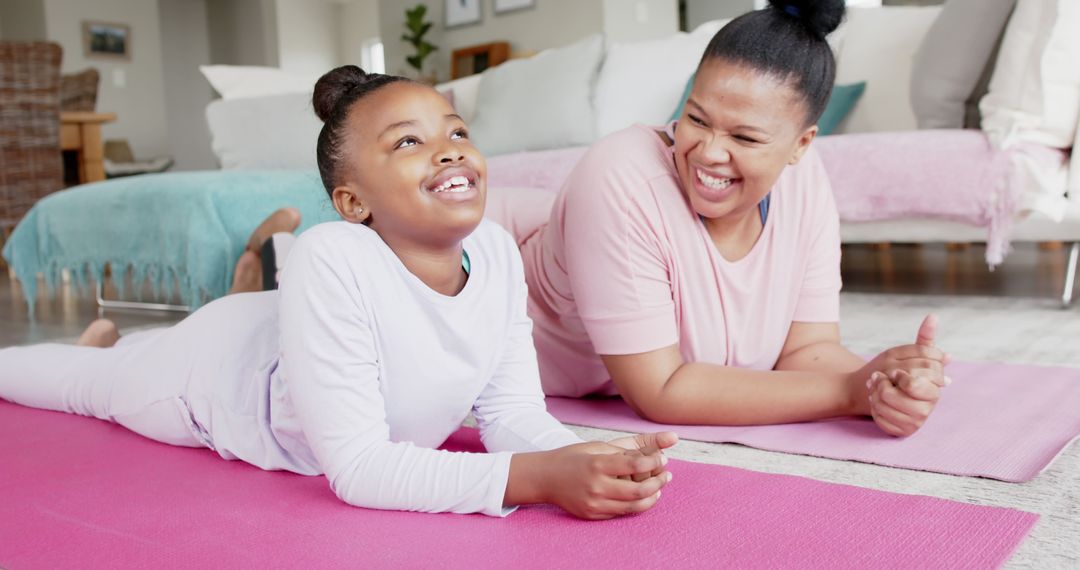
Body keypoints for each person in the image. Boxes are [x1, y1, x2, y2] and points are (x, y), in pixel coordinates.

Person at [0, 66, 677, 519]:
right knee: (83, 382)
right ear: (352, 201)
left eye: (457, 132)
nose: (447, 150)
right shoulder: (334, 253)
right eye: (409, 142)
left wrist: (576, 456)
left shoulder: (497, 253)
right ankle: (104, 347)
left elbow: (510, 412)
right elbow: (356, 467)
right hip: (211, 378)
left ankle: (134, 325)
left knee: (135, 344)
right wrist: (537, 481)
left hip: (276, 326)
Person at [494, 0, 950, 437]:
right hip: (460, 278)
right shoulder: (620, 177)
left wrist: (886, 384)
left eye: (746, 138)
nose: (709, 152)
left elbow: (806, 350)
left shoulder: (804, 182)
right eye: (696, 118)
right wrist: (848, 392)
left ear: (801, 145)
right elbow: (660, 390)